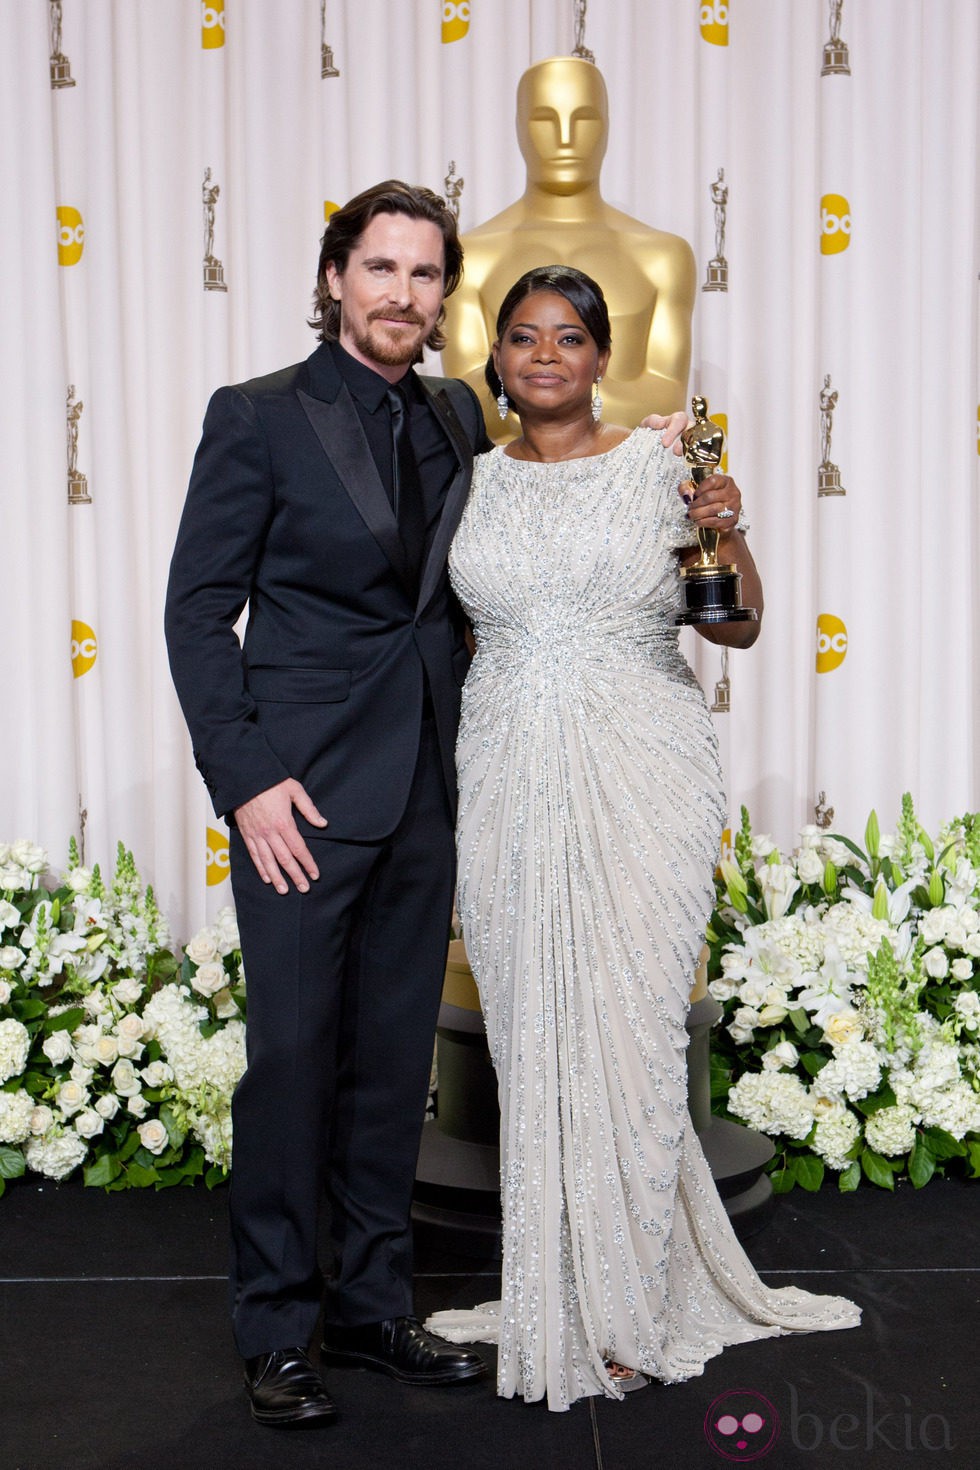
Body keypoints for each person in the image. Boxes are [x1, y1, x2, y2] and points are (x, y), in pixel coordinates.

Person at [165, 184, 687, 1431]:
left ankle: (372, 1308)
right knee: (294, 1065)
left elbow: (549, 480)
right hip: (297, 797)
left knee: (393, 1071)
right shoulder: (256, 418)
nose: (402, 294)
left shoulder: (456, 412)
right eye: (379, 268)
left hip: (431, 788)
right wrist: (246, 780)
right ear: (336, 276)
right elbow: (197, 612)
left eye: (423, 275)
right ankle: (281, 1328)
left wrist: (663, 457)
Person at [428, 265, 861, 1411]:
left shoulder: (664, 468)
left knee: (626, 1035)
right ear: (497, 360)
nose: (544, 357)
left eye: (567, 338)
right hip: (510, 774)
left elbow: (745, 622)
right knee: (535, 1039)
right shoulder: (464, 483)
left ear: (601, 356)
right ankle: (562, 1289)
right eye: (521, 338)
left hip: (643, 772)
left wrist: (728, 523)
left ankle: (628, 1306)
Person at [440, 56, 696, 441]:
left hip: (630, 488)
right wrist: (582, 404)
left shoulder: (663, 256)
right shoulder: (471, 256)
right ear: (519, 129)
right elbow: (470, 406)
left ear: (607, 127)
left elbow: (664, 396)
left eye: (585, 119)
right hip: (507, 487)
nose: (565, 137)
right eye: (544, 119)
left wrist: (535, 394)